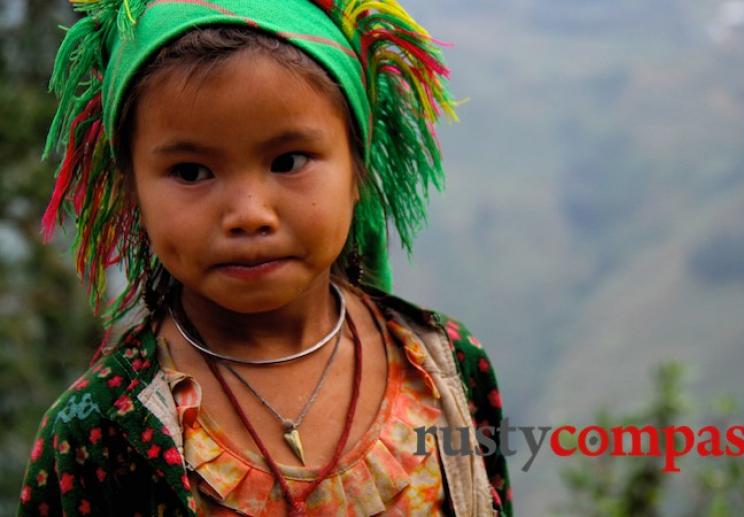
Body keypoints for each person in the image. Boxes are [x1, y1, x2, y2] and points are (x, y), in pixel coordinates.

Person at [18, 1, 510, 515]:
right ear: (130, 193)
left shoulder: (446, 371)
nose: (249, 215)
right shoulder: (100, 430)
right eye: (190, 172)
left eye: (288, 161)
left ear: (357, 170)